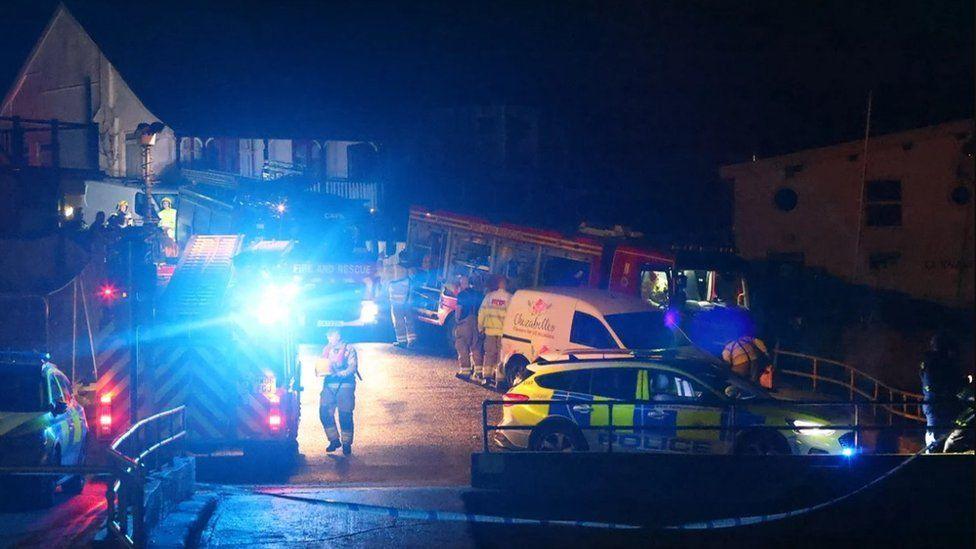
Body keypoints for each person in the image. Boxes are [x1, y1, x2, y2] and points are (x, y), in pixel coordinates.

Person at [317, 328, 359, 455]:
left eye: (332, 335)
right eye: (328, 336)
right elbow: (323, 364)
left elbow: (353, 366)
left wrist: (342, 374)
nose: (329, 338)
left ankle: (346, 444)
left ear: (339, 336)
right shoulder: (326, 349)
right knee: (324, 412)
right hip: (329, 384)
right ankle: (334, 440)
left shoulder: (349, 349)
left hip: (345, 385)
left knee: (345, 415)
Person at [919, 333, 964, 452]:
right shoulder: (941, 363)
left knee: (937, 440)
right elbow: (950, 384)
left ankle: (936, 463)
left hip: (937, 406)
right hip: (940, 407)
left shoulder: (929, 362)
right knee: (936, 441)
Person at [478, 274, 512, 387]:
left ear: (498, 284)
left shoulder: (489, 296)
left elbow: (482, 312)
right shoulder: (510, 298)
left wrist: (480, 327)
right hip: (503, 333)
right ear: (505, 285)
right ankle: (499, 380)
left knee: (489, 354)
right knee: (501, 356)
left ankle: (487, 378)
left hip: (490, 331)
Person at [453, 275, 484, 379]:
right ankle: (479, 372)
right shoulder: (479, 295)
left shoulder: (461, 295)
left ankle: (465, 371)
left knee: (462, 345)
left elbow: (458, 310)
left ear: (463, 284)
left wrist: (457, 321)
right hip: (476, 322)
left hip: (465, 322)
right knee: (476, 346)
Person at [388, 253, 417, 348]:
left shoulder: (396, 268)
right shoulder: (412, 270)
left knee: (398, 320)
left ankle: (402, 341)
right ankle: (412, 340)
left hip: (397, 300)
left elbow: (385, 278)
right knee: (409, 320)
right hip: (408, 300)